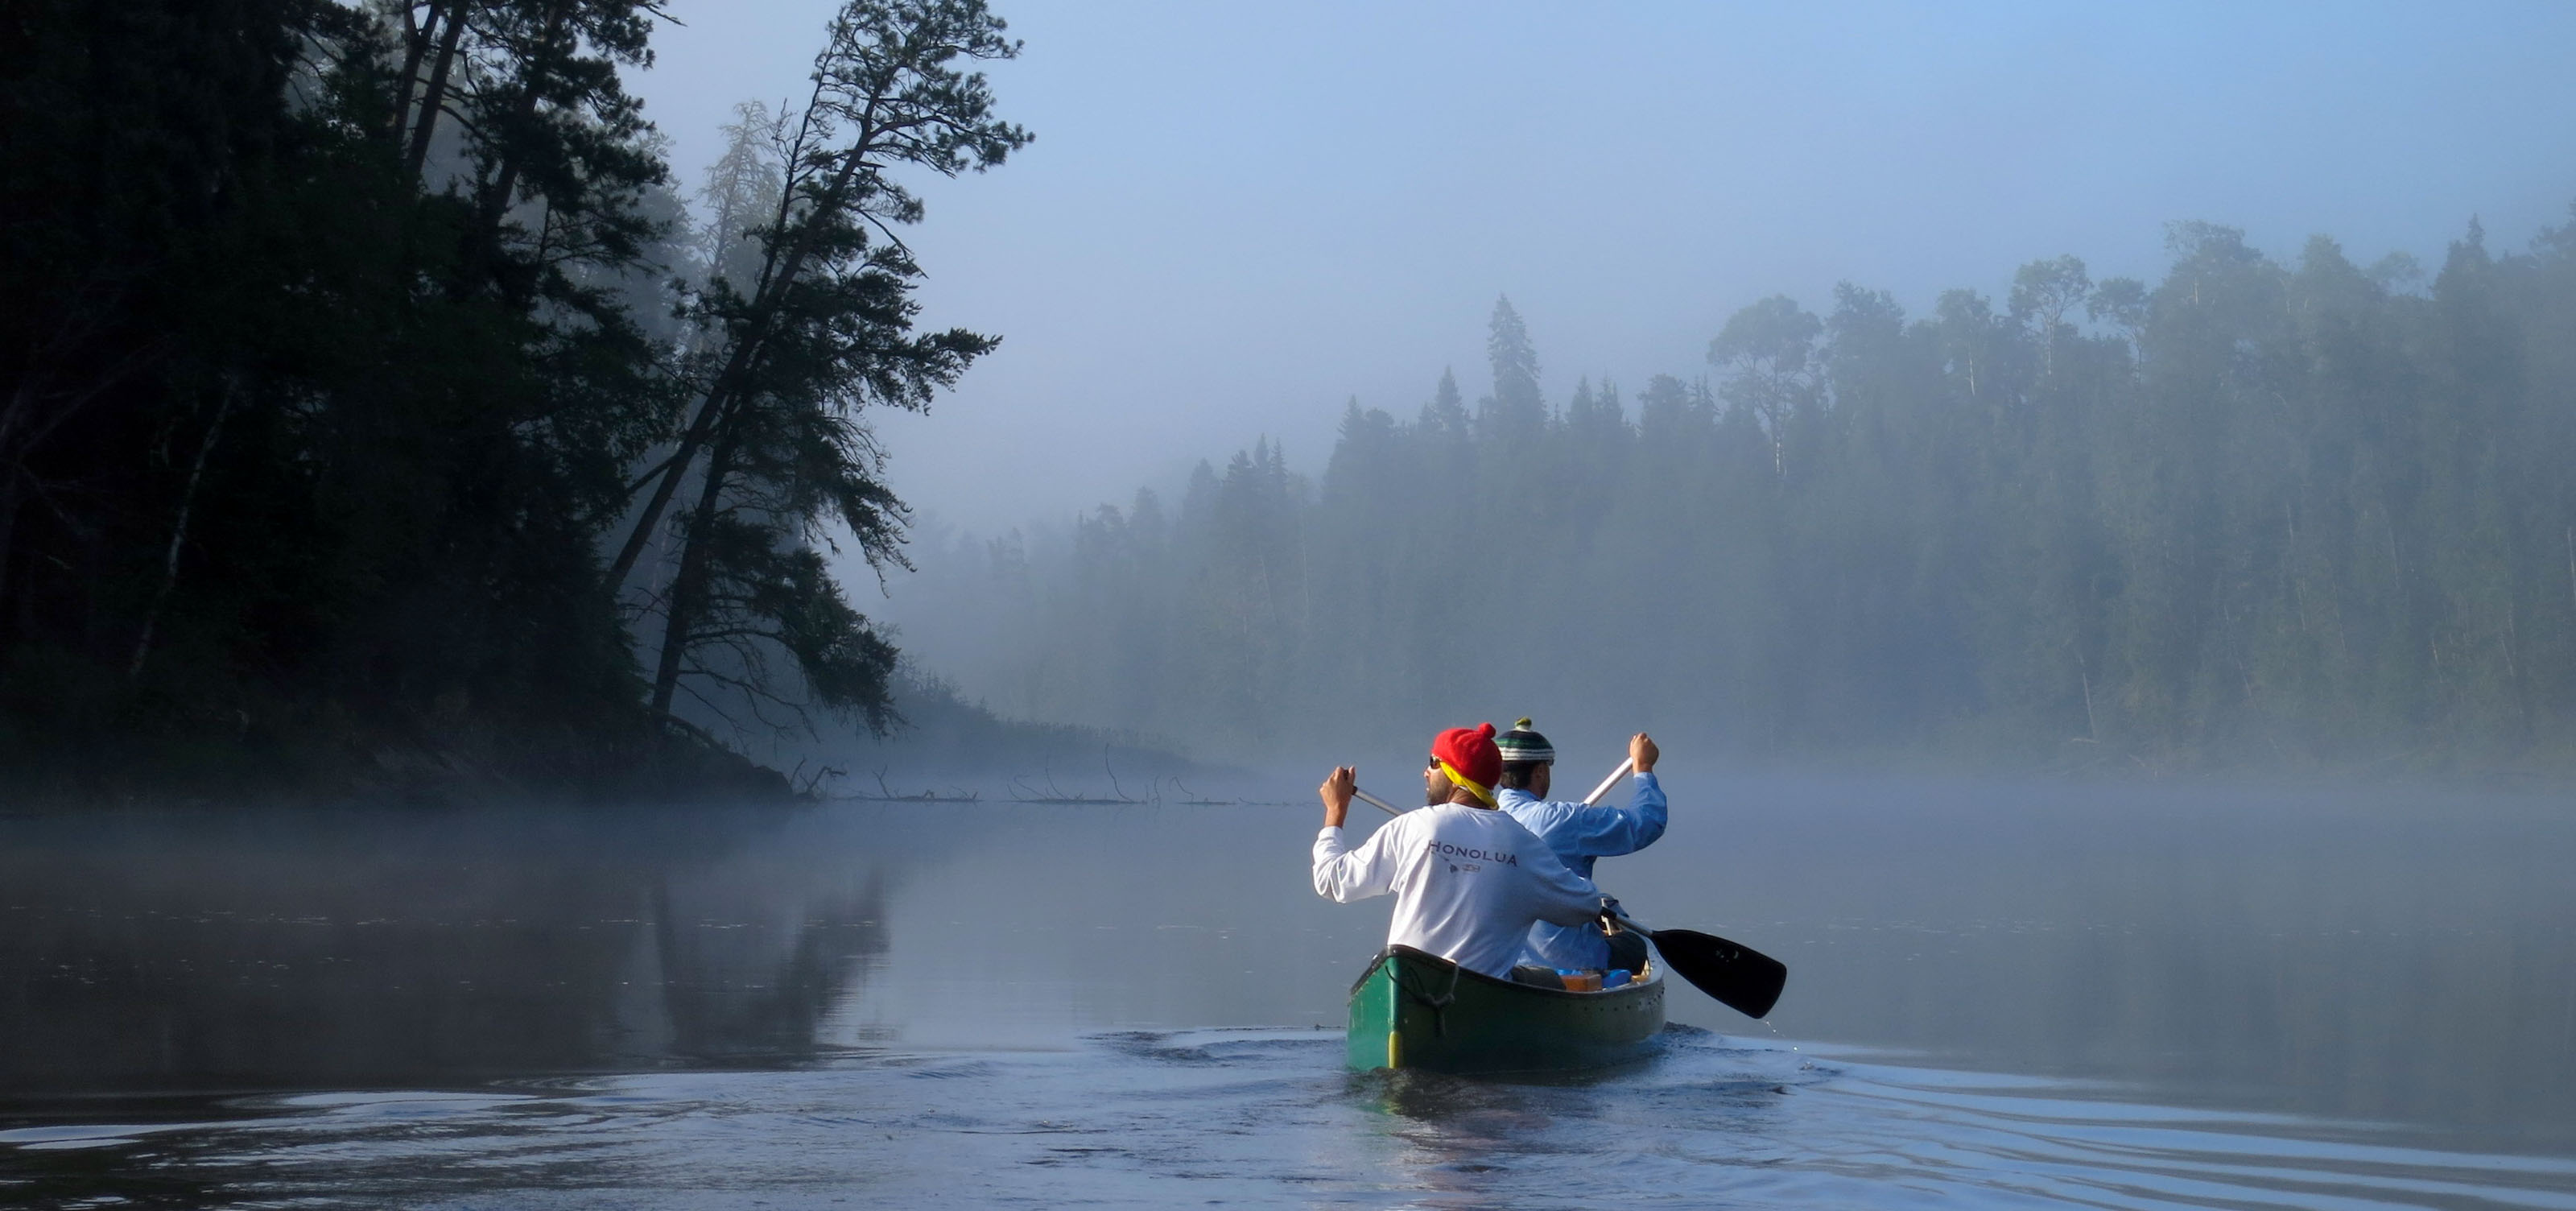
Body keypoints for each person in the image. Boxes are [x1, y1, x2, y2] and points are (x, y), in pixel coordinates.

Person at [1311, 722, 1611, 979]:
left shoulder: (1413, 826)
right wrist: (1597, 899)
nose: (1425, 773)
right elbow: (1585, 905)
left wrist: (1336, 811)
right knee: (1546, 981)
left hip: (1408, 982)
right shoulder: (1523, 843)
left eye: (1432, 762)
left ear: (1453, 772)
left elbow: (1331, 881)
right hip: (1484, 992)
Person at [1495, 721, 1666, 973]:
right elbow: (1647, 823)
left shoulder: (1483, 819)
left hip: (1507, 962)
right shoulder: (1564, 819)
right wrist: (1643, 769)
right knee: (1633, 944)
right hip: (1570, 961)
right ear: (1540, 771)